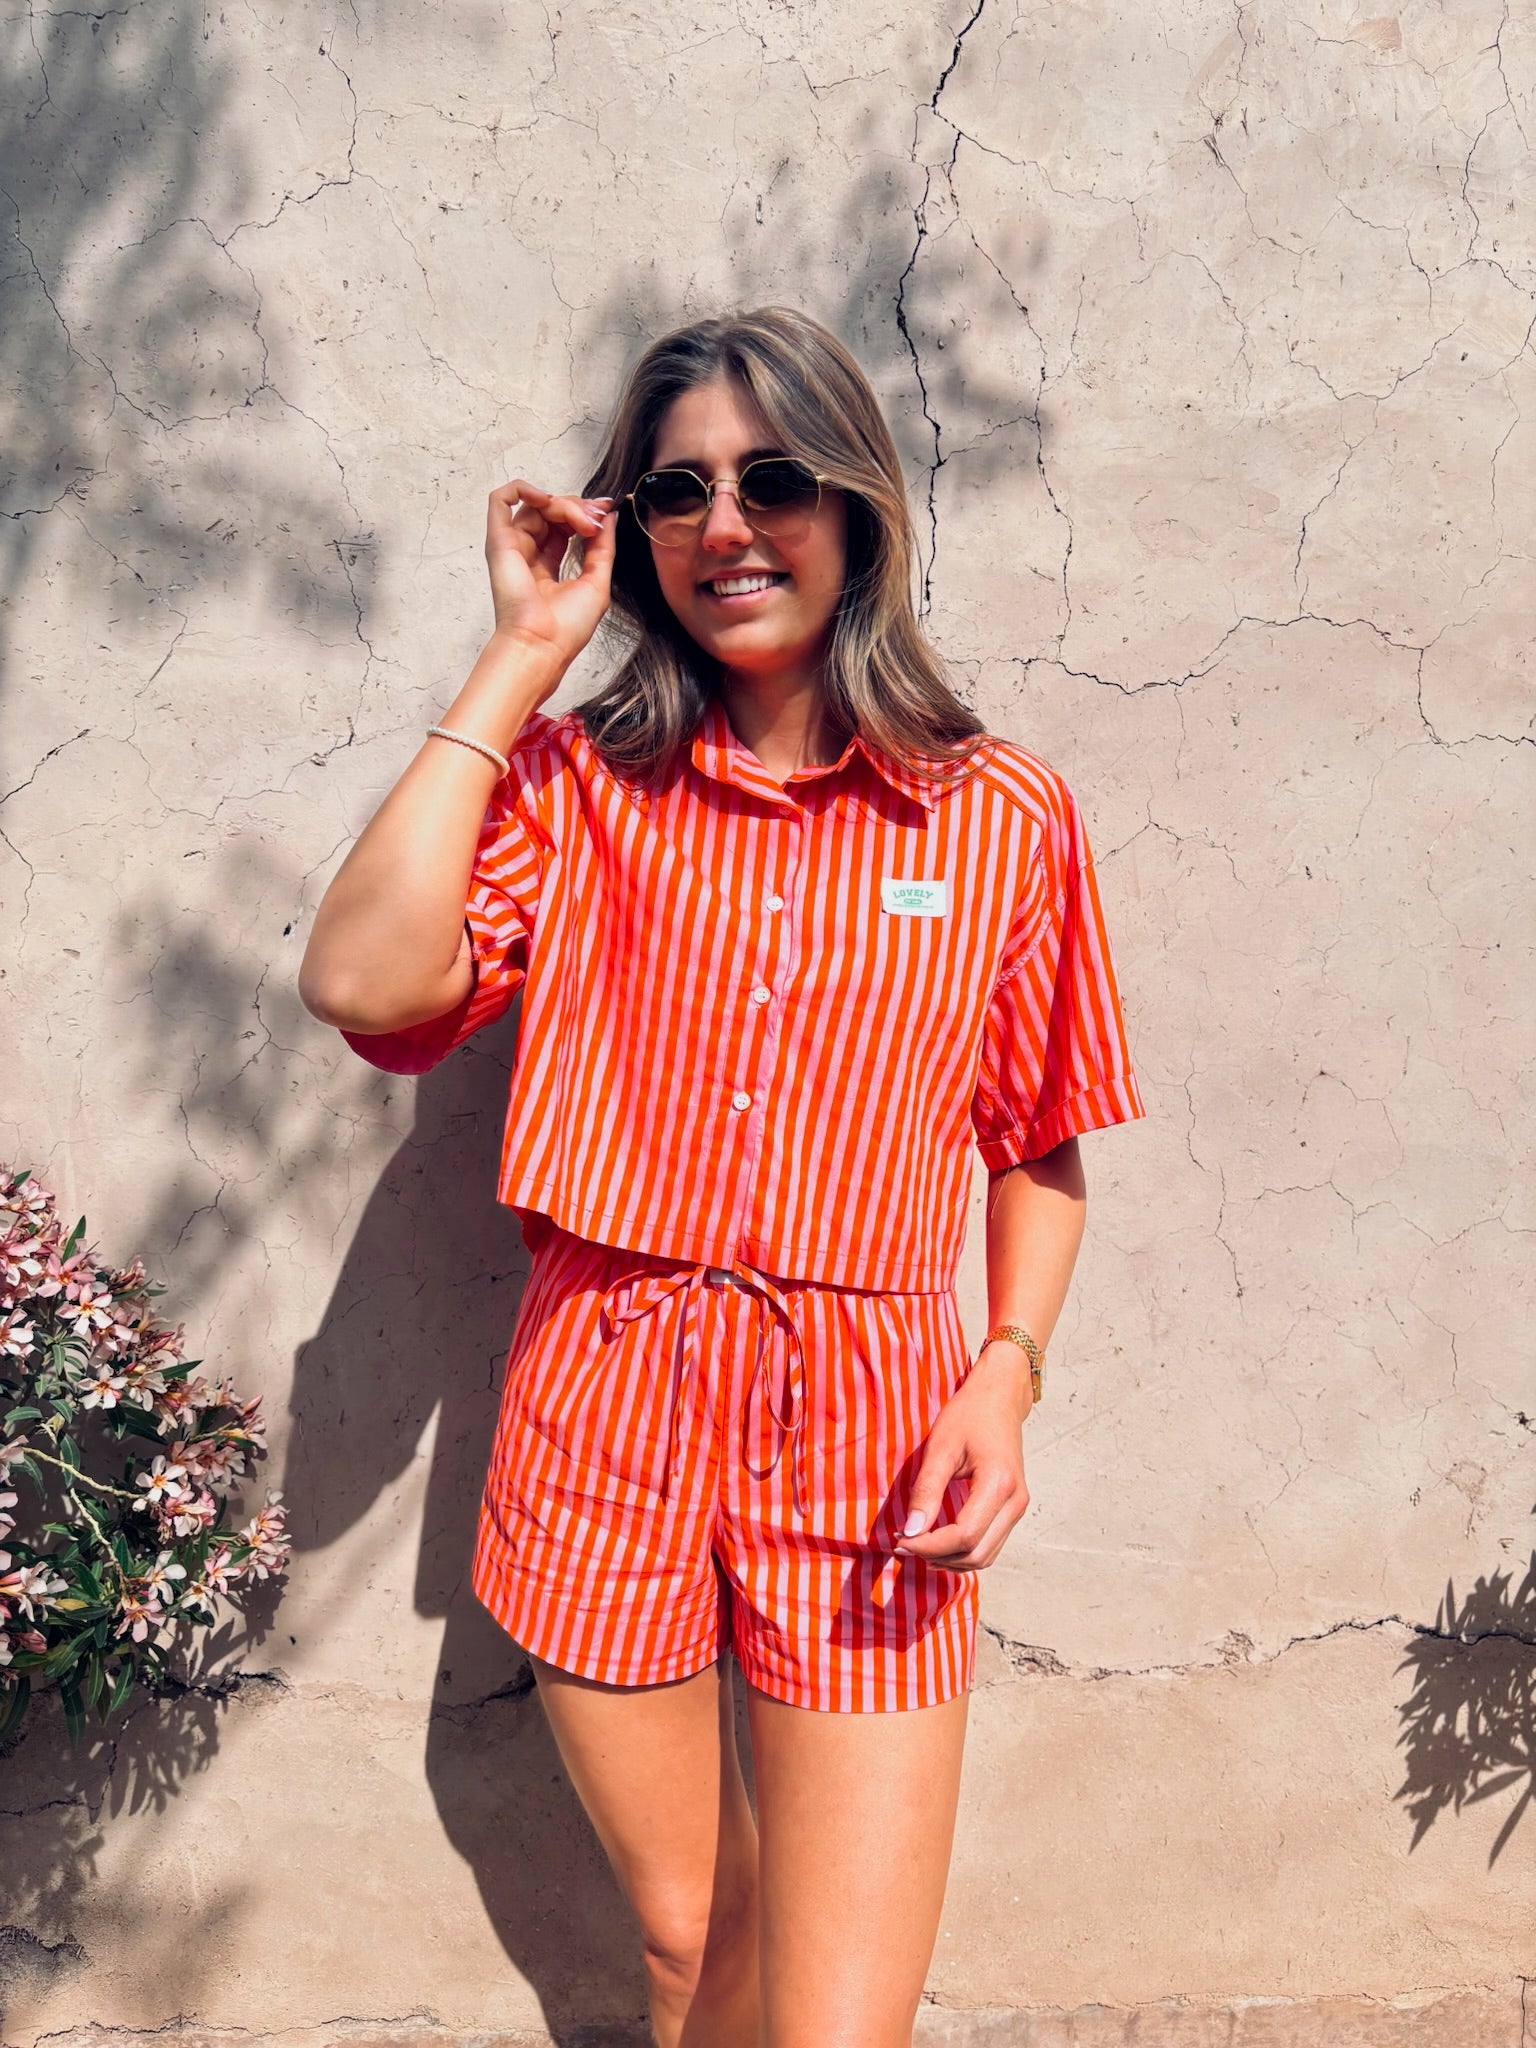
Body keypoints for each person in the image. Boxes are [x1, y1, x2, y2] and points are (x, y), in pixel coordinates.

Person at [299, 305, 1145, 2048]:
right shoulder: (576, 789)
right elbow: (366, 983)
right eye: (677, 491)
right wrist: (522, 654)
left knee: (840, 2019)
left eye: (774, 479)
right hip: (602, 1402)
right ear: (635, 531)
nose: (727, 526)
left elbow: (1037, 1137)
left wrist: (1007, 1370)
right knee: (695, 1947)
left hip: (871, 1428)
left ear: (857, 506)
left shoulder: (1000, 814)